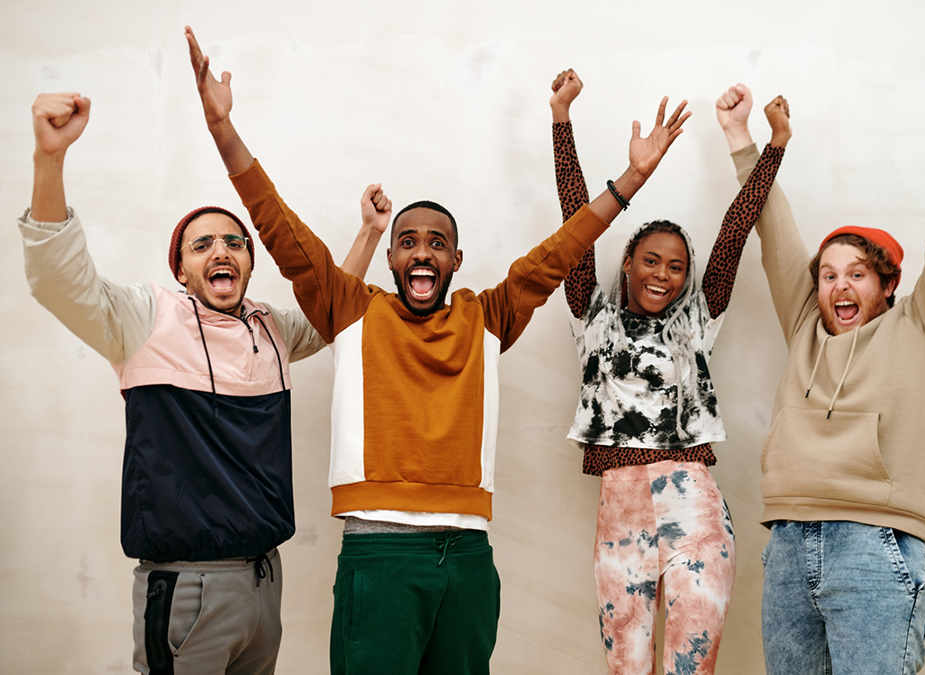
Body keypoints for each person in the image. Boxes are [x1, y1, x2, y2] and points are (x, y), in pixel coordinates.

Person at [184, 26, 690, 675]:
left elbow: (561, 251)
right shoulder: (352, 309)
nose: (422, 249)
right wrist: (225, 131)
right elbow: (277, 225)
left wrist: (632, 179)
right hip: (380, 556)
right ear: (392, 256)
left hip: (469, 559)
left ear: (455, 258)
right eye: (408, 240)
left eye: (436, 241)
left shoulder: (488, 315)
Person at [714, 43, 925, 674]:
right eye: (827, 274)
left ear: (886, 285)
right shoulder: (806, 325)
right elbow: (773, 229)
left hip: (879, 546)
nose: (839, 286)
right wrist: (742, 138)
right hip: (791, 542)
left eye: (857, 274)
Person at [17, 91, 338, 674]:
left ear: (249, 261)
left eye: (235, 242)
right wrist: (50, 159)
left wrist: (367, 234)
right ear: (182, 269)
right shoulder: (145, 319)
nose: (222, 251)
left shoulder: (271, 328)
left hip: (266, 581)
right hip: (188, 589)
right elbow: (58, 281)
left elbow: (334, 314)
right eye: (203, 244)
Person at [550, 69, 791, 674]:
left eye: (676, 266)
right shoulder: (592, 315)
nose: (663, 274)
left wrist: (776, 144)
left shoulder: (699, 319)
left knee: (691, 668)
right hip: (620, 508)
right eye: (651, 260)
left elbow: (736, 228)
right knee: (627, 666)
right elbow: (575, 221)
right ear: (627, 262)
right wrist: (561, 120)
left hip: (695, 506)